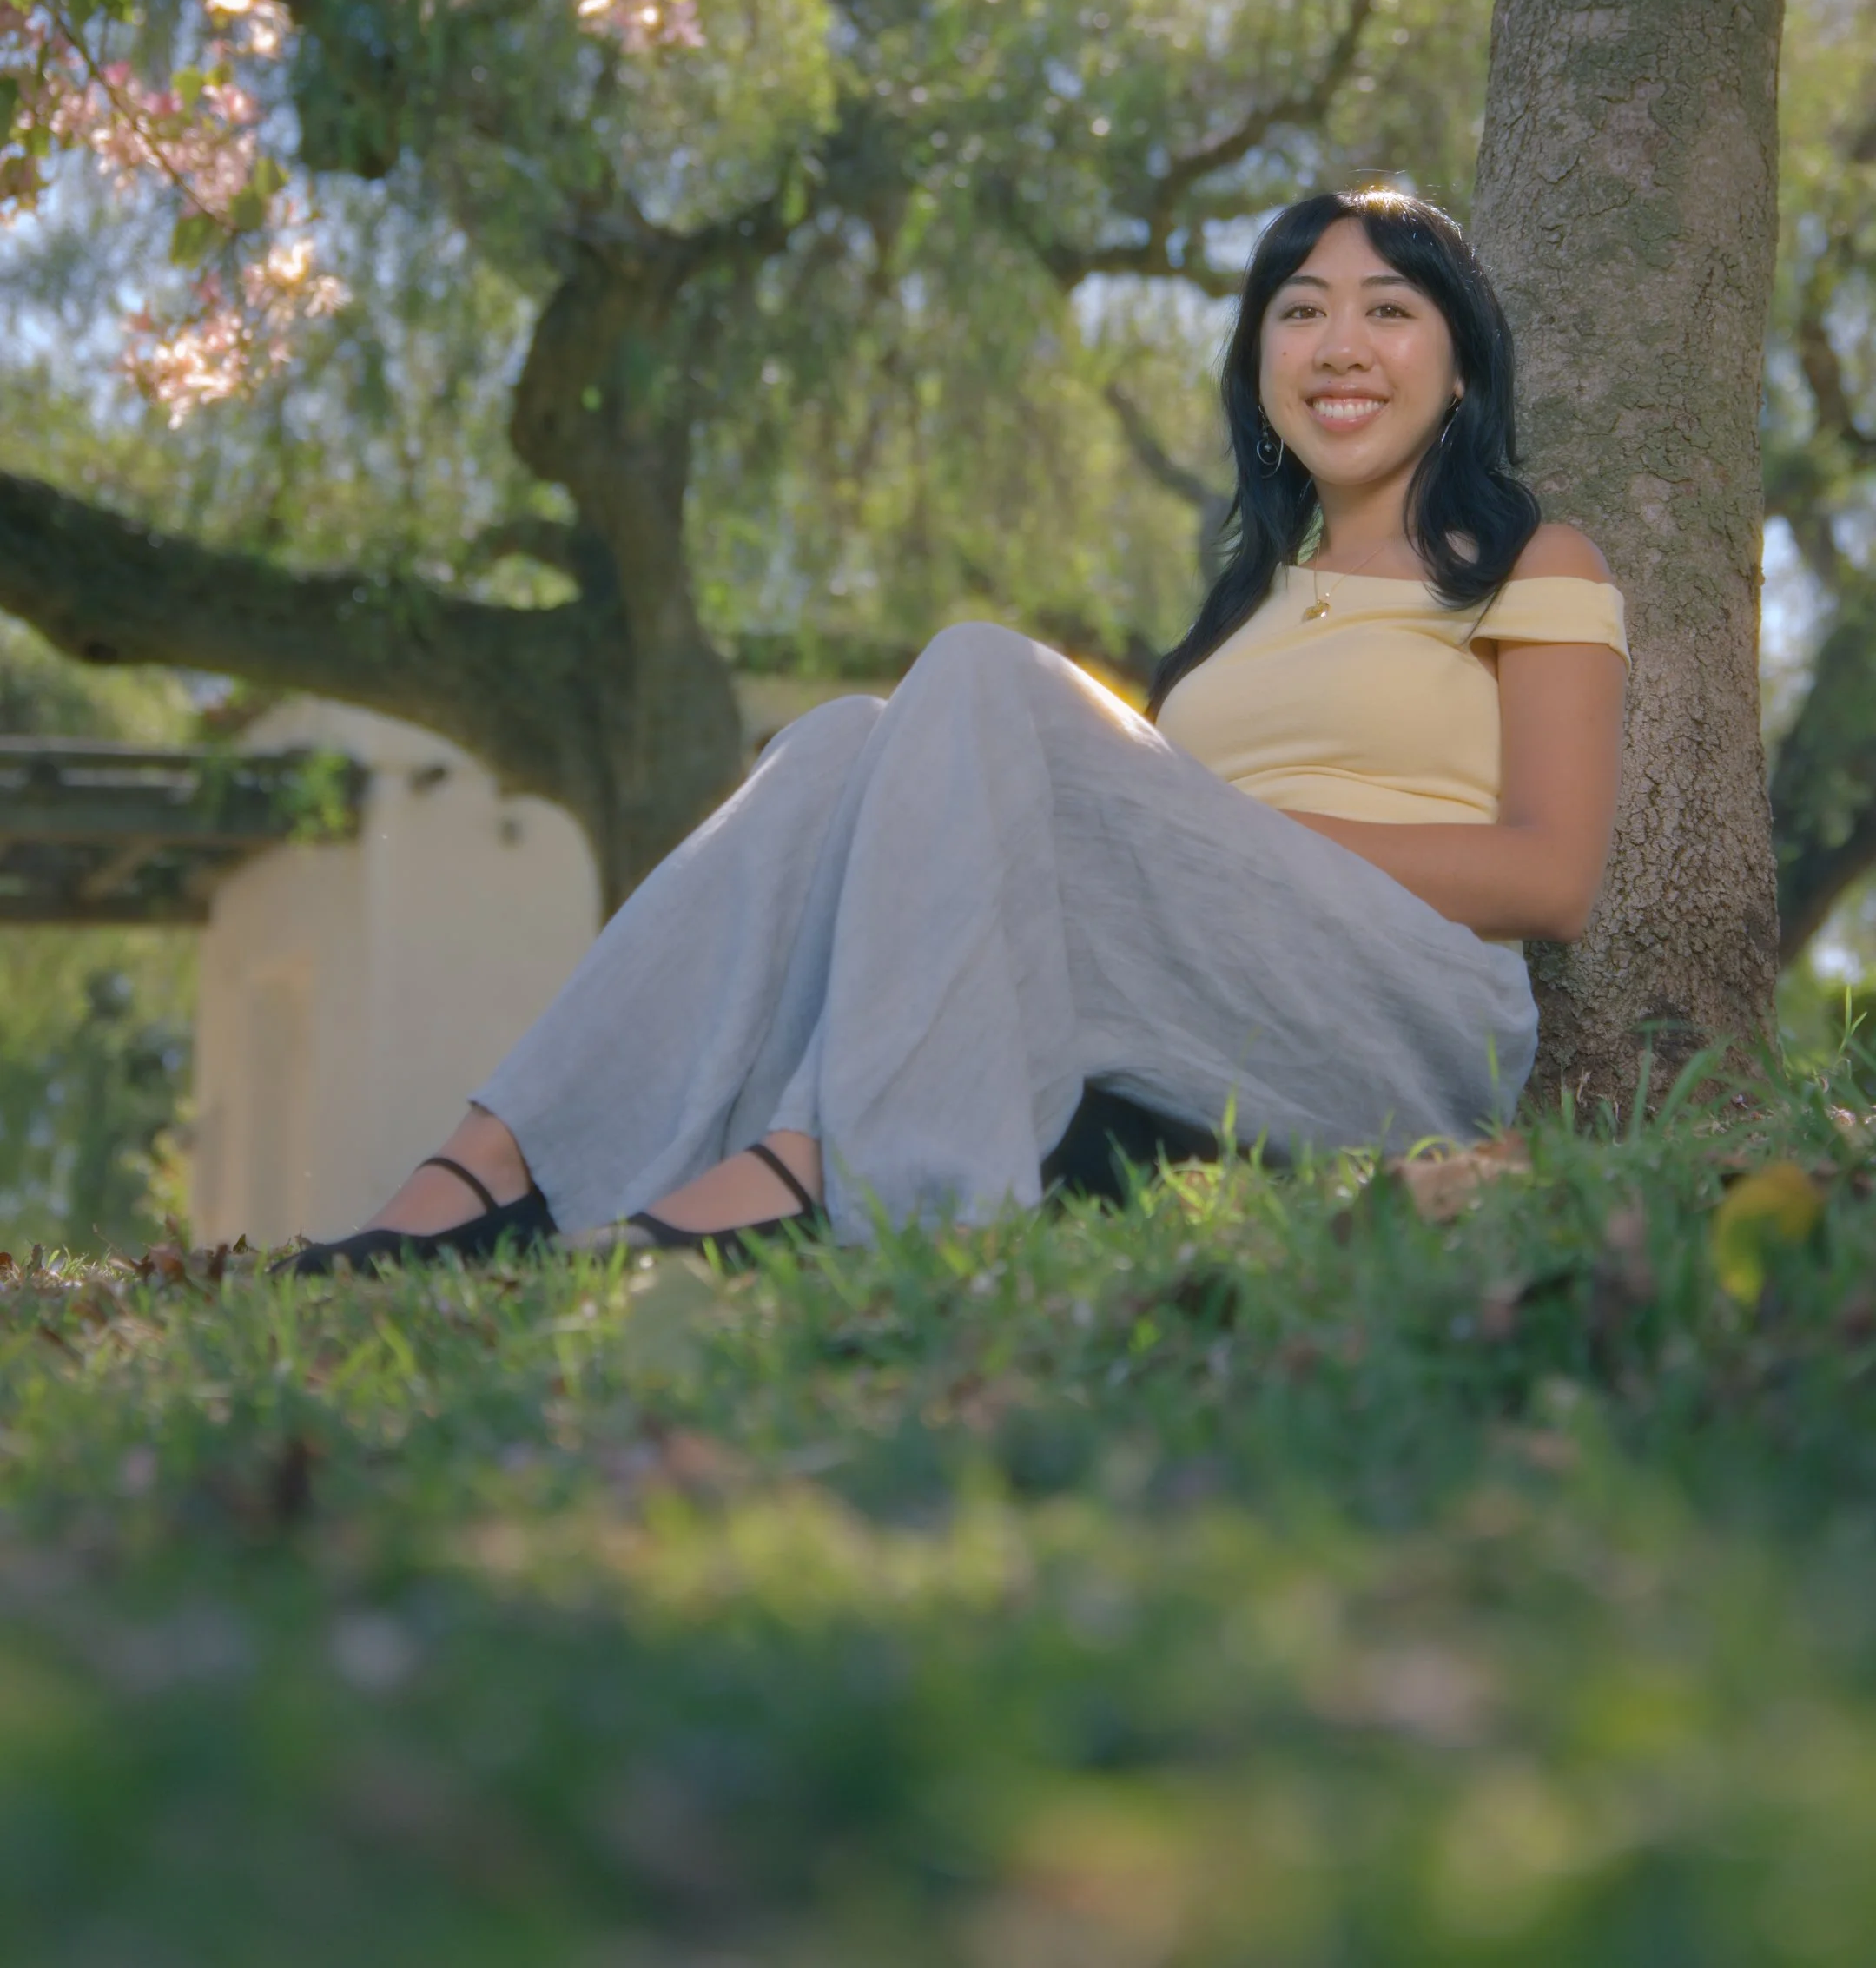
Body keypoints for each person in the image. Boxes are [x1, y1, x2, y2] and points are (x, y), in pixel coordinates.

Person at [281, 188, 1628, 1275]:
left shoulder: (1528, 562)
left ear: (1457, 368)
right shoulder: (1238, 616)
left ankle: (838, 1167)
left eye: (1389, 310)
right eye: (1300, 311)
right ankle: (500, 1168)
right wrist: (1187, 842)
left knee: (985, 669)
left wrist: (1242, 835)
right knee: (834, 744)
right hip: (1184, 1026)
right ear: (1260, 366)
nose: (1340, 346)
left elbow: (1550, 876)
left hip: (1396, 1023)